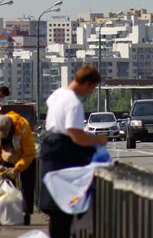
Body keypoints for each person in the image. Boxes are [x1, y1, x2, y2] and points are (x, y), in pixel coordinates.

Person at [39, 65, 107, 238]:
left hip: (49, 147)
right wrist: (98, 140)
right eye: (92, 88)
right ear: (86, 84)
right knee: (64, 208)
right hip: (63, 152)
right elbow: (77, 136)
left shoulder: (58, 94)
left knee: (54, 206)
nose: (91, 92)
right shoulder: (74, 103)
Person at [0, 112, 36, 225]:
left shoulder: (23, 127)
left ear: (10, 129)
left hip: (24, 155)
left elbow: (29, 153)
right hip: (8, 155)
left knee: (27, 185)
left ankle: (26, 213)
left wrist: (17, 169)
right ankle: (9, 211)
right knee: (7, 184)